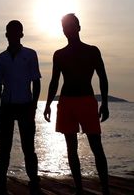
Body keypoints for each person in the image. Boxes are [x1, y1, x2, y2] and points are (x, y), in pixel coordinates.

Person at [43, 13, 110, 195]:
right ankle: (79, 189)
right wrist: (48, 104)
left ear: (78, 27)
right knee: (71, 148)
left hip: (87, 101)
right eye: (64, 27)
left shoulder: (92, 51)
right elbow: (54, 81)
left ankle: (105, 189)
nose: (67, 30)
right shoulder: (59, 54)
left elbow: (102, 77)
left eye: (70, 26)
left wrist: (104, 102)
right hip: (66, 102)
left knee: (96, 146)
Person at [0, 20, 42, 195]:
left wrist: (34, 106)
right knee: (4, 149)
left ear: (21, 34)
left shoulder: (30, 54)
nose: (12, 35)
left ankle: (34, 185)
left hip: (25, 106)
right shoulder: (1, 58)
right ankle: (0, 187)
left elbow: (36, 81)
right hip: (6, 106)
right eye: (9, 32)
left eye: (16, 32)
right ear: (6, 34)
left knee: (29, 148)